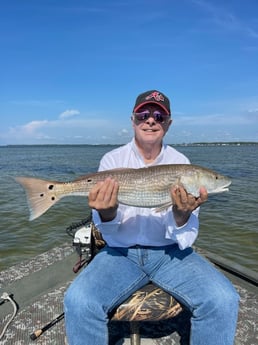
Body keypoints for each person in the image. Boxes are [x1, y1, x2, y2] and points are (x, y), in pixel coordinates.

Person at [64, 90, 239, 345]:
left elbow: (186, 237)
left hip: (171, 255)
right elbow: (108, 229)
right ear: (133, 120)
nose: (151, 120)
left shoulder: (181, 162)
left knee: (223, 299)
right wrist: (106, 211)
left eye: (159, 116)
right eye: (143, 114)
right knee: (79, 301)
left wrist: (181, 214)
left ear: (168, 123)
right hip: (120, 254)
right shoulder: (112, 160)